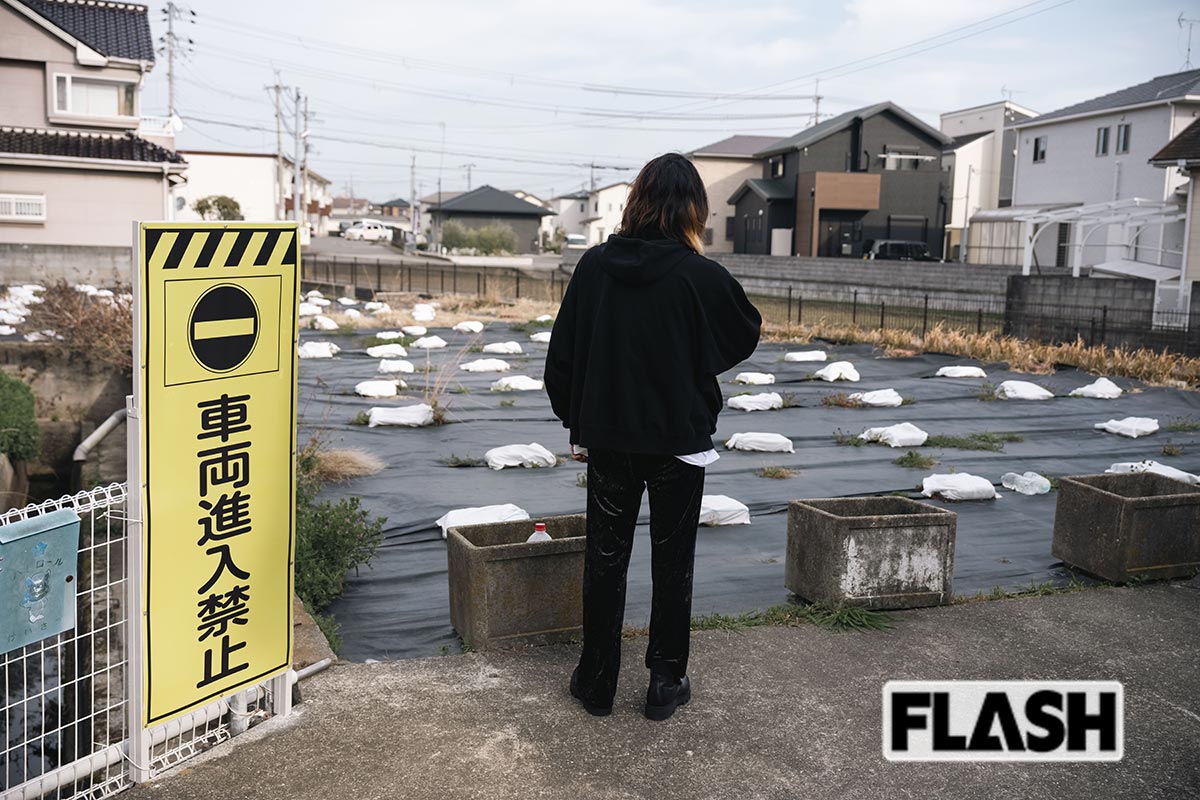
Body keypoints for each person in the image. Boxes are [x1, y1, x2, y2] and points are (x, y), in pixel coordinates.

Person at [544, 153, 762, 721]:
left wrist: (577, 421)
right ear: (694, 208)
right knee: (674, 564)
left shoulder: (594, 267)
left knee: (605, 560)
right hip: (679, 443)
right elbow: (745, 330)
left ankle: (596, 683)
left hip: (609, 440)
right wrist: (694, 358)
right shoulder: (700, 274)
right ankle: (665, 683)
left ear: (636, 199)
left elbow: (561, 356)